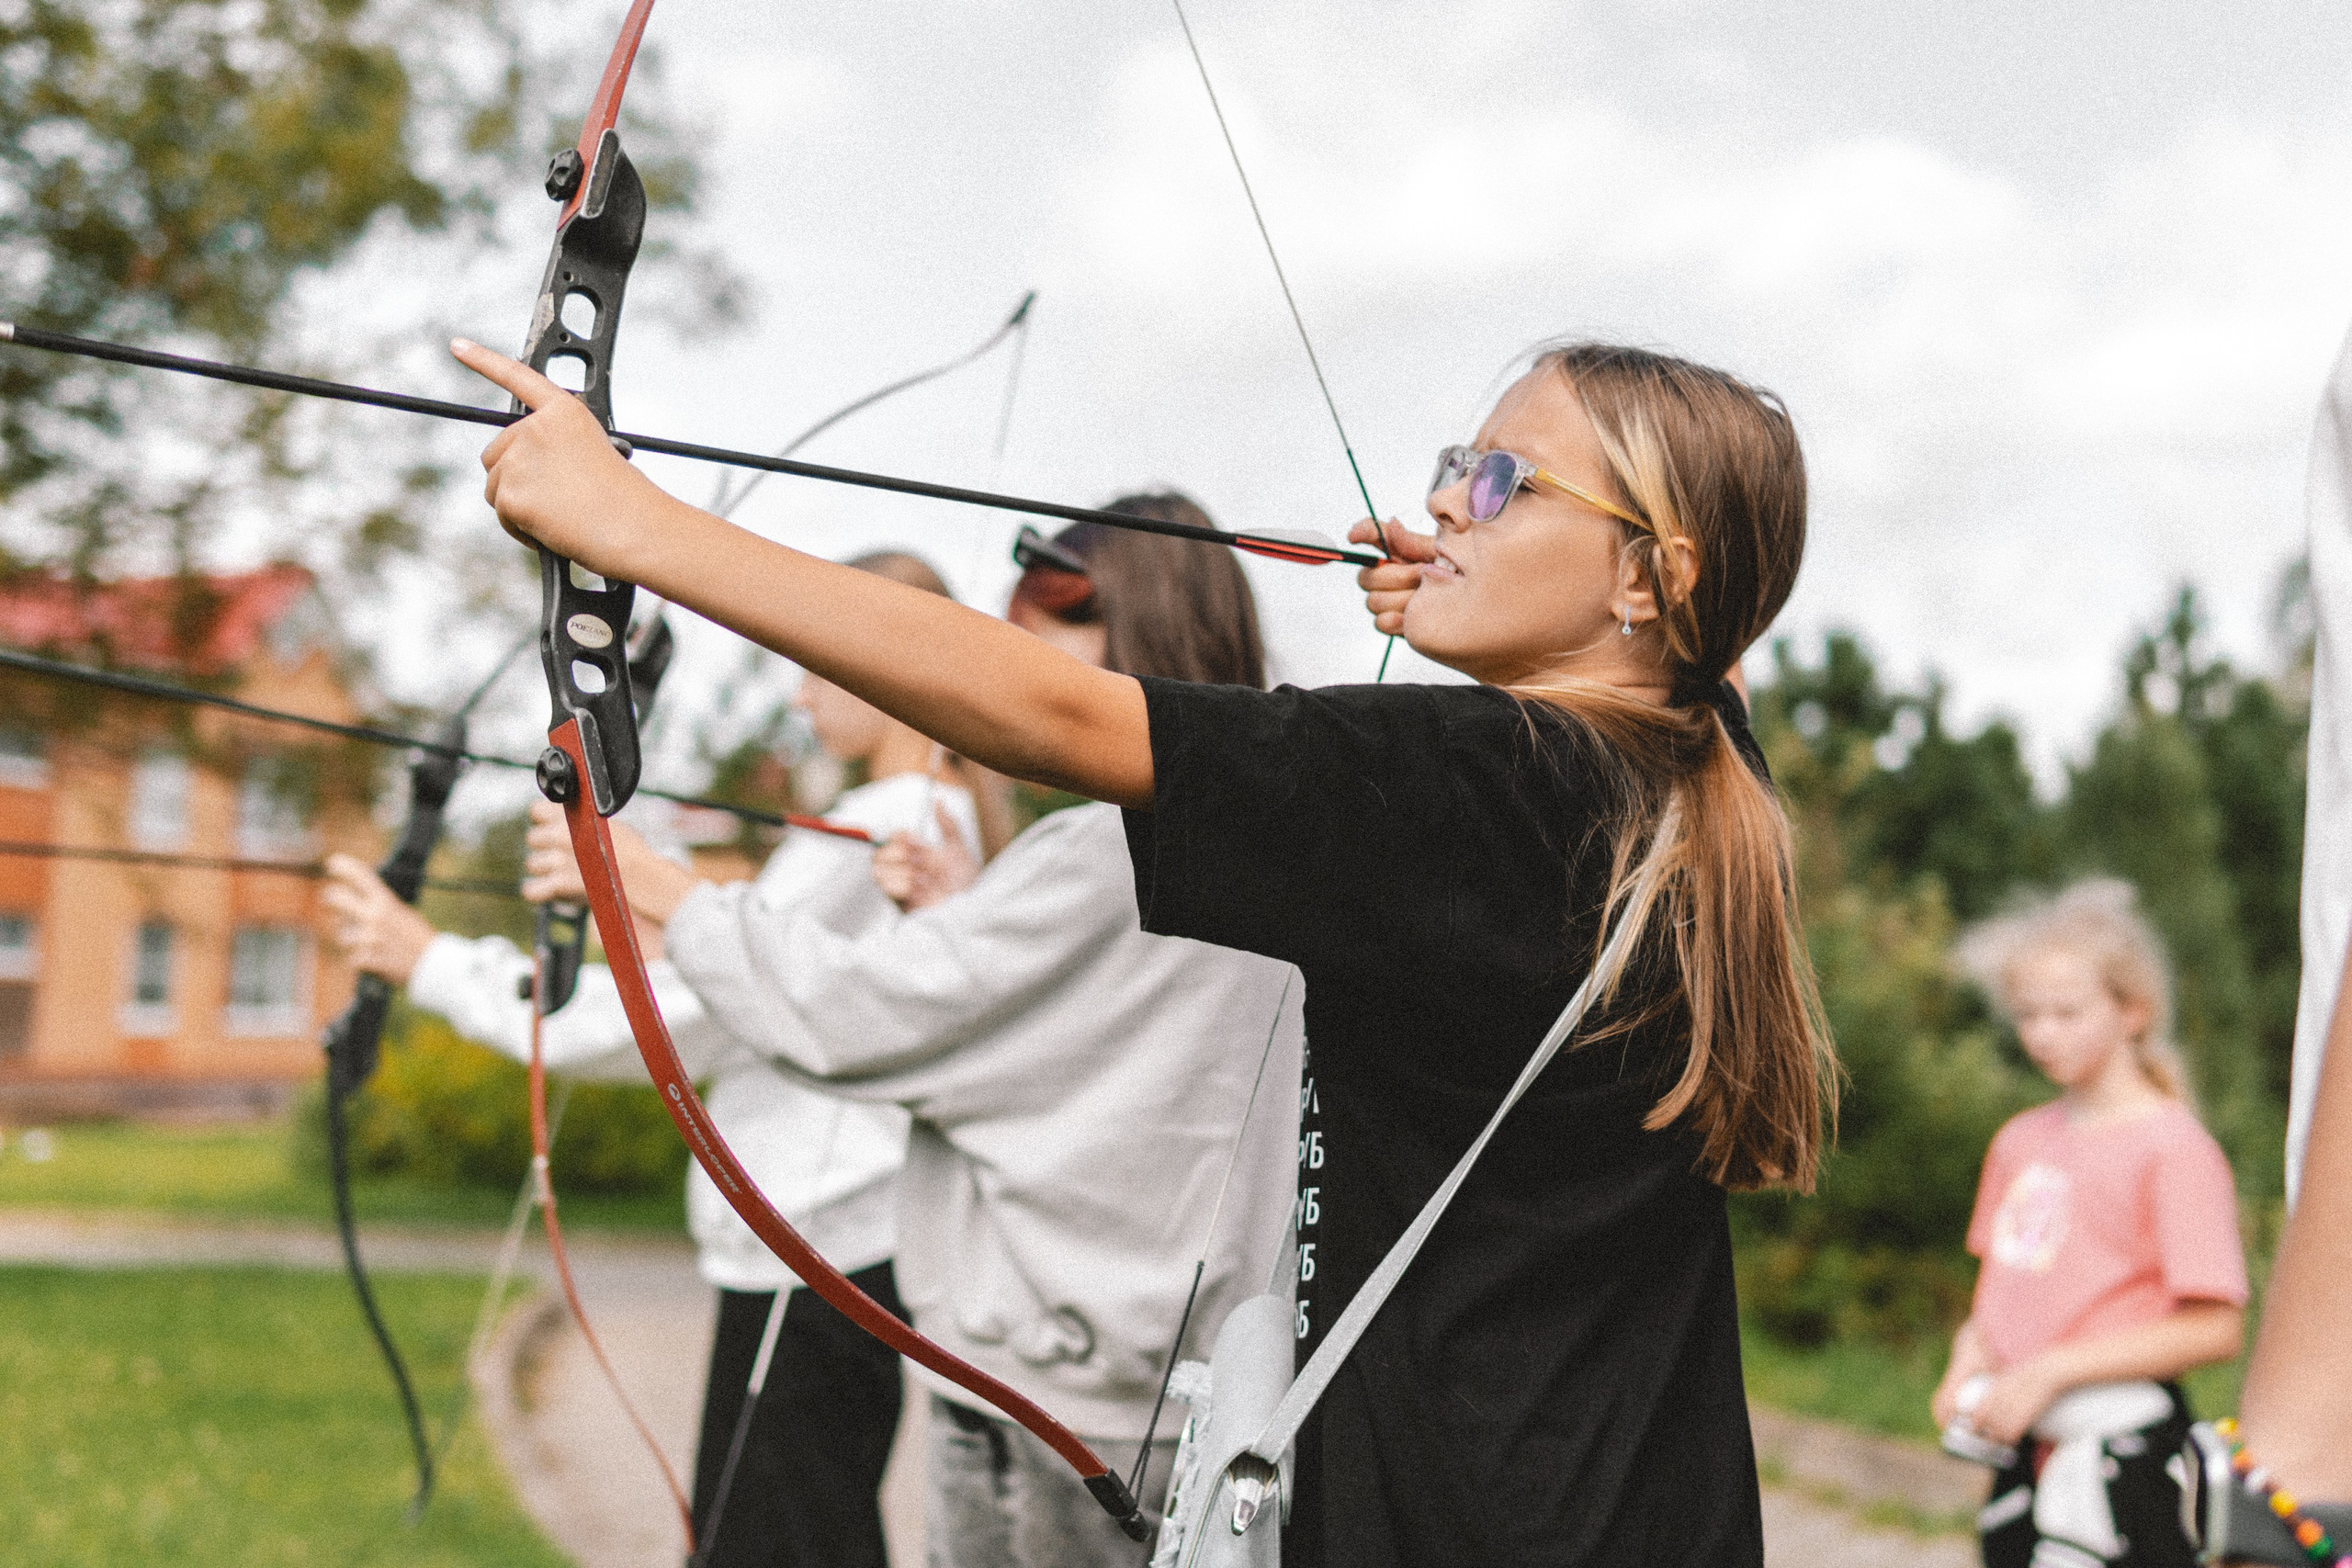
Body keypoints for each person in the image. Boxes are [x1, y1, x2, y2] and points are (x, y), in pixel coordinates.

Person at [456, 332, 1837, 1567]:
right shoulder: (1688, 778)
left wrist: (633, 525)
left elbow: (1053, 715)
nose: (1435, 505)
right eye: (1454, 467)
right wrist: (1505, 588)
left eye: (1499, 482)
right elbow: (1708, 658)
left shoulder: (1487, 783)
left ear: (1656, 574)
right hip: (1641, 1505)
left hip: (1467, 1515)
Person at [517, 496, 1304, 1568]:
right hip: (1174, 1386)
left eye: (1050, 632)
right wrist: (957, 919)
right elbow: (1088, 1039)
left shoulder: (1105, 852)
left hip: (1057, 1397)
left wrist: (645, 880)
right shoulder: (1255, 838)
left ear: (1143, 639)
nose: (1014, 665)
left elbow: (851, 1018)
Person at [321, 550, 981, 1568]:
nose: (799, 691)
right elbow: (727, 949)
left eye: (816, 660)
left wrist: (429, 960)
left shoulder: (896, 827)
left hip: (816, 1267)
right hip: (817, 1257)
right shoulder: (907, 823)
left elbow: (664, 1022)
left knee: (769, 1549)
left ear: (877, 659)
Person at [1931, 879, 2247, 1568]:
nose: (2042, 1033)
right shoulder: (2018, 1140)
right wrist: (1967, 1362)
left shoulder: (2175, 1149)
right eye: (2027, 1014)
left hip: (2125, 1461)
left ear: (2132, 1009)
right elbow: (2001, 1293)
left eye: (2067, 1012)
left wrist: (2050, 1372)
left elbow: (2217, 1326)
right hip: (2026, 1453)